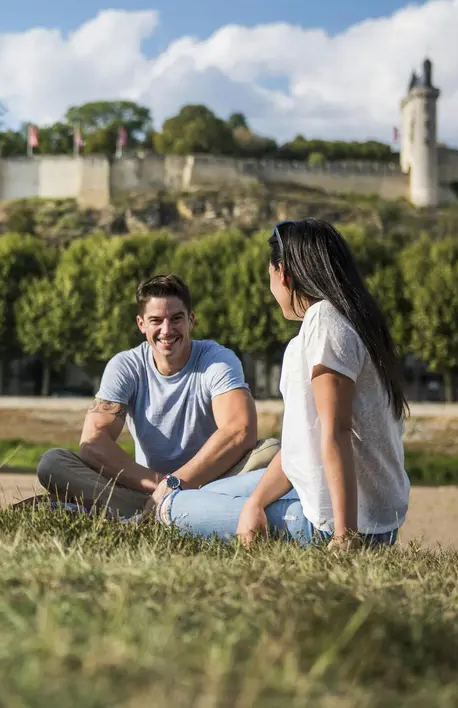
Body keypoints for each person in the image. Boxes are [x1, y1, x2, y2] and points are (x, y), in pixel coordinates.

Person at [158, 220, 410, 549]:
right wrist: (254, 504)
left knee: (172, 506)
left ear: (283, 273)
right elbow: (299, 446)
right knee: (205, 494)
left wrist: (343, 535)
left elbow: (337, 431)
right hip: (374, 517)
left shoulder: (325, 322)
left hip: (345, 523)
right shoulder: (353, 322)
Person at [33, 274, 278, 517]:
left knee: (272, 452)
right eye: (156, 320)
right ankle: (173, 511)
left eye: (176, 319)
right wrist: (163, 485)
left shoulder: (217, 360)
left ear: (191, 320)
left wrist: (179, 483)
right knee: (52, 464)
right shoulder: (126, 366)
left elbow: (240, 431)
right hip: (148, 488)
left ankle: (132, 512)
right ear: (141, 324)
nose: (166, 330)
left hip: (210, 481)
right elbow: (94, 441)